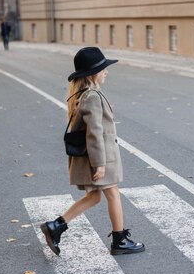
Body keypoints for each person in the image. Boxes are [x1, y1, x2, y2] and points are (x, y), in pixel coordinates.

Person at [40, 47, 145, 257]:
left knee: (95, 197)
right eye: (103, 68)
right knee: (113, 194)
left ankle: (56, 226)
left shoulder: (84, 94)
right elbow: (94, 133)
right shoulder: (92, 97)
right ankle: (119, 240)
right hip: (100, 156)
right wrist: (100, 163)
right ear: (93, 73)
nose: (106, 72)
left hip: (97, 155)